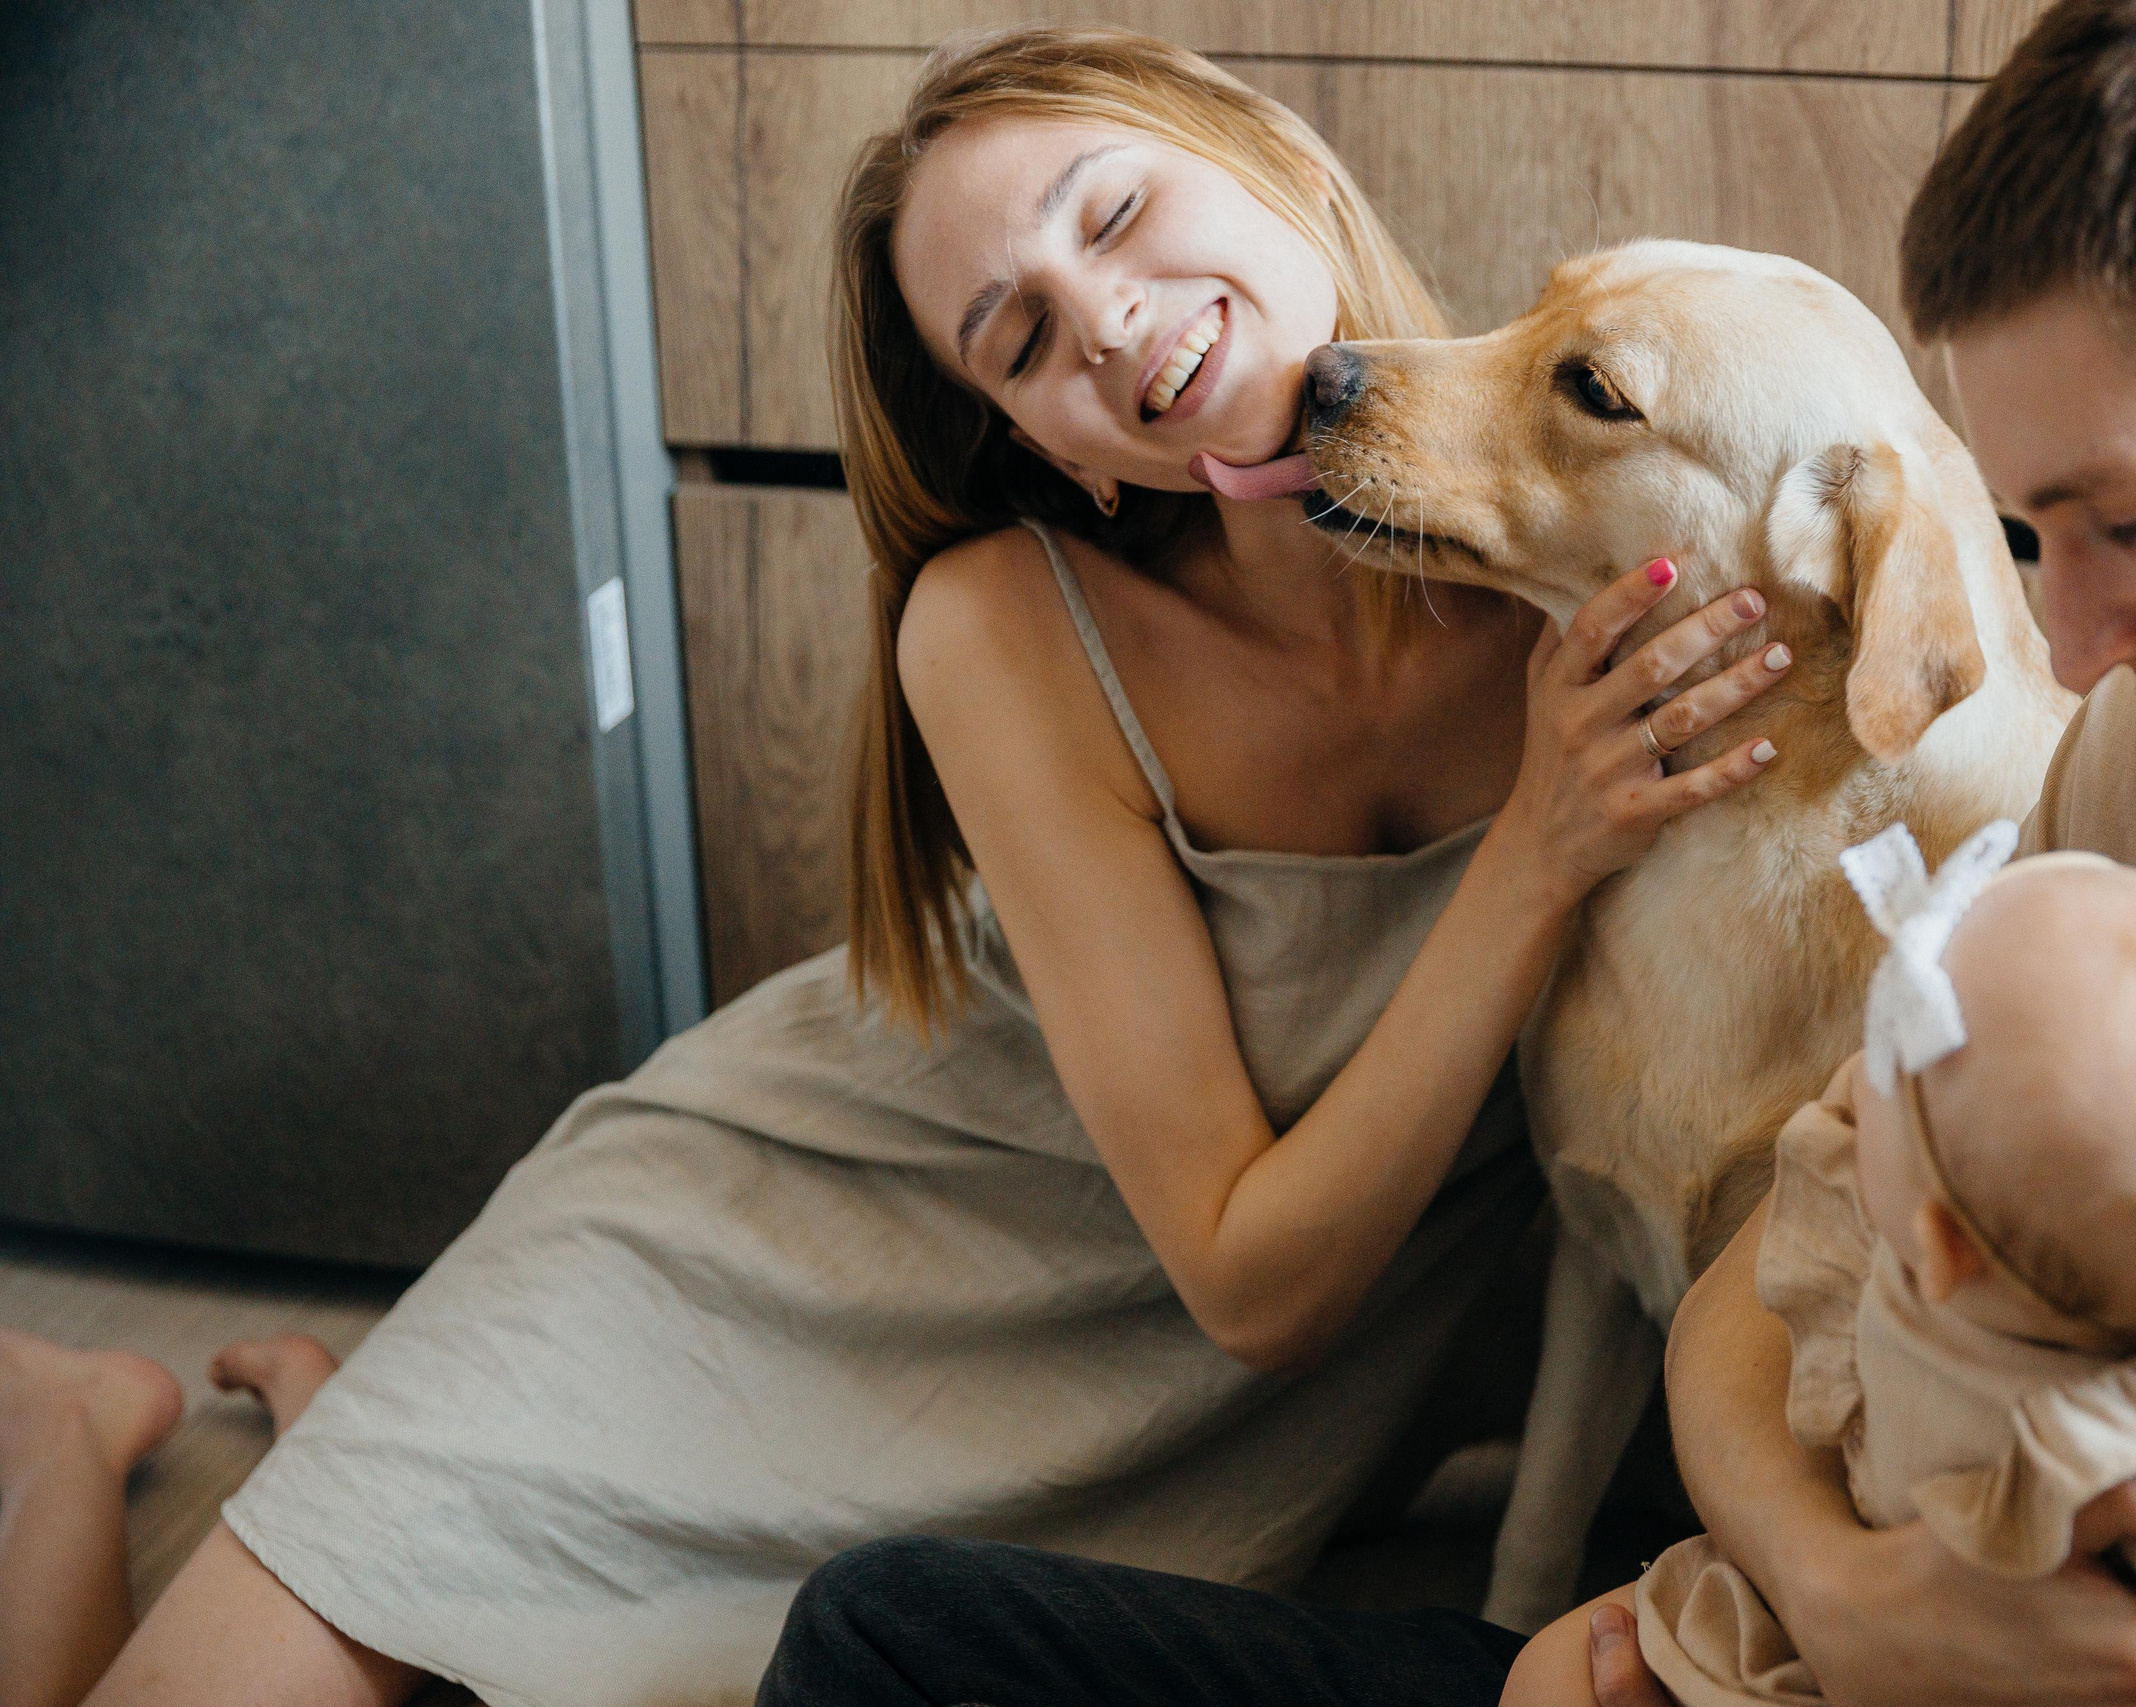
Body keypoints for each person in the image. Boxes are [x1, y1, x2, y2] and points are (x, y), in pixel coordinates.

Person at [758, 3, 2136, 1704]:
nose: (2065, 640)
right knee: (885, 1637)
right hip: (1736, 1615)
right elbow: (1773, 1267)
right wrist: (1819, 1590)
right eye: (2040, 535)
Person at [0, 27, 1793, 1707]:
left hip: (1171, 1416)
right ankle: (82, 1426)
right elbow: (1256, 1281)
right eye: (1016, 341)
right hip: (770, 1264)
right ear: (1047, 448)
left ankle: (335, 1463)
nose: (1097, 318)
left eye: (1114, 212)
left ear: (1274, 161)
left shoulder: (1602, 482)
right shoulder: (1002, 622)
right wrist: (1540, 848)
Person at [1519, 832, 2136, 1707]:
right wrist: (1824, 1584)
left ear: (1940, 1247)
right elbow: (1726, 1335)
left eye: (1885, 1048)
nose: (1852, 1068)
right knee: (1553, 1673)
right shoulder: (1993, 1195)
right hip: (1816, 1620)